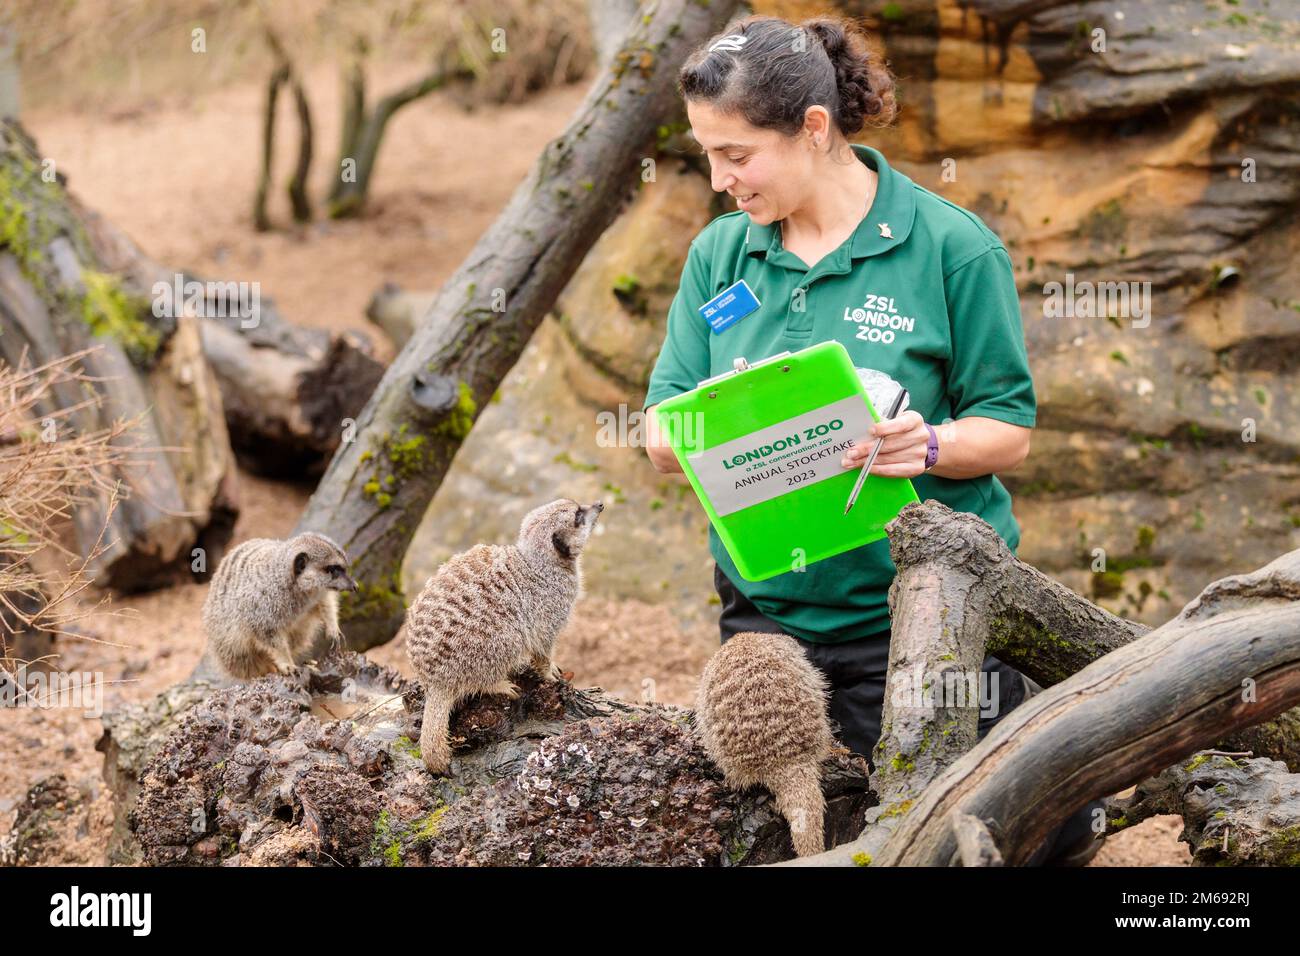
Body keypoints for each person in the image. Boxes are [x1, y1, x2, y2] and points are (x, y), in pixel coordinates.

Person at [641, 13, 1104, 866]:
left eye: (736, 154)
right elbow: (660, 427)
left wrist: (926, 448)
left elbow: (1008, 432)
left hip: (925, 618)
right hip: (769, 627)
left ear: (814, 129)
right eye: (708, 154)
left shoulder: (951, 249)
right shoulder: (720, 258)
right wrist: (710, 430)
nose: (718, 179)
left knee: (1021, 837)